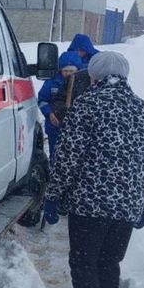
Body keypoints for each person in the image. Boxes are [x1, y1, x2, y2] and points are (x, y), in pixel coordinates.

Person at [44, 51, 144, 288]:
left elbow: (67, 158)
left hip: (89, 205)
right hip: (127, 209)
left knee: (84, 264)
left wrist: (53, 196)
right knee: (108, 263)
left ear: (94, 77)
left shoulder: (86, 106)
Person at [37, 51, 90, 225]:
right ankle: (55, 192)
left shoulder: (82, 84)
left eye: (71, 71)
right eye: (65, 71)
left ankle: (68, 195)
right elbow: (43, 100)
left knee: (73, 162)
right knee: (57, 159)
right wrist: (50, 114)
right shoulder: (52, 83)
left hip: (74, 132)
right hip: (55, 128)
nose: (68, 74)